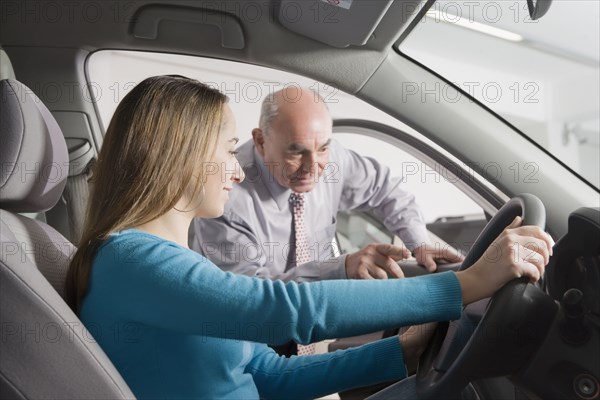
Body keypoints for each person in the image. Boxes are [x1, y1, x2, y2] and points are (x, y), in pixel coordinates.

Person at [66, 75, 552, 400]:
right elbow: (282, 310)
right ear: (178, 157)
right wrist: (464, 287)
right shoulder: (132, 260)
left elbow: (269, 375)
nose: (237, 171)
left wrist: (400, 351)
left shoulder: (166, 262)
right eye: (224, 151)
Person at [190, 86, 464, 284]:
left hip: (313, 327)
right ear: (261, 141)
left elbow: (387, 191)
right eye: (296, 152)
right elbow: (253, 300)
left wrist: (419, 243)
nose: (313, 167)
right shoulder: (226, 199)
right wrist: (340, 268)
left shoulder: (334, 161)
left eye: (323, 148)